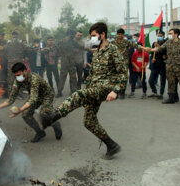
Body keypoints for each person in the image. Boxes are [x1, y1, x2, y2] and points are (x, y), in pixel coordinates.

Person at [41, 23, 127, 160]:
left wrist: (115, 91)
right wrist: (88, 87)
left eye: (93, 36)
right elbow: (93, 74)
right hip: (94, 88)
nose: (92, 39)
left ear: (102, 35)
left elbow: (123, 73)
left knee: (77, 94)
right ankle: (112, 145)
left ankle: (53, 116)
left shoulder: (113, 50)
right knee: (89, 122)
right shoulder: (98, 51)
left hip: (106, 87)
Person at [0, 62, 62, 143]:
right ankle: (40, 133)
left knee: (44, 113)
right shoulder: (17, 81)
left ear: (25, 71)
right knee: (26, 114)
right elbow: (11, 98)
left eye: (19, 74)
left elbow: (33, 98)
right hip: (35, 97)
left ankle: (55, 123)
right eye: (16, 75)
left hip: (46, 95)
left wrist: (20, 109)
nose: (18, 77)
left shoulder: (34, 79)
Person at [144, 28, 180, 104]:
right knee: (171, 83)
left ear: (176, 34)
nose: (169, 35)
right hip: (170, 67)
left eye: (171, 33)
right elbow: (159, 49)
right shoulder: (168, 42)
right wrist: (150, 50)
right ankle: (171, 98)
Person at [112, 28, 140, 99]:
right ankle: (116, 92)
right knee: (116, 78)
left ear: (123, 35)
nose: (120, 36)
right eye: (119, 34)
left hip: (125, 62)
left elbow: (136, 46)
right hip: (115, 62)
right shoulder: (113, 42)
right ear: (117, 35)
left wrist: (143, 48)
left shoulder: (127, 42)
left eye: (121, 34)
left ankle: (122, 92)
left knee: (124, 78)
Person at [56, 29, 78, 97]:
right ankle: (59, 91)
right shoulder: (61, 42)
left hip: (72, 61)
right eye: (73, 35)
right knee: (62, 77)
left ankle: (73, 90)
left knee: (73, 77)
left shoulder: (73, 42)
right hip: (64, 61)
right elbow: (55, 47)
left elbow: (80, 47)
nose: (74, 36)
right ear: (69, 34)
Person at [148, 31, 167, 99]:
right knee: (151, 80)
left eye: (161, 36)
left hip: (163, 65)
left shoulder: (166, 43)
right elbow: (152, 53)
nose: (159, 37)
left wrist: (159, 47)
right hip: (155, 65)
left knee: (162, 80)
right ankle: (154, 92)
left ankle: (161, 94)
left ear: (163, 36)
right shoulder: (154, 43)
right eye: (158, 35)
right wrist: (152, 58)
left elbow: (165, 53)